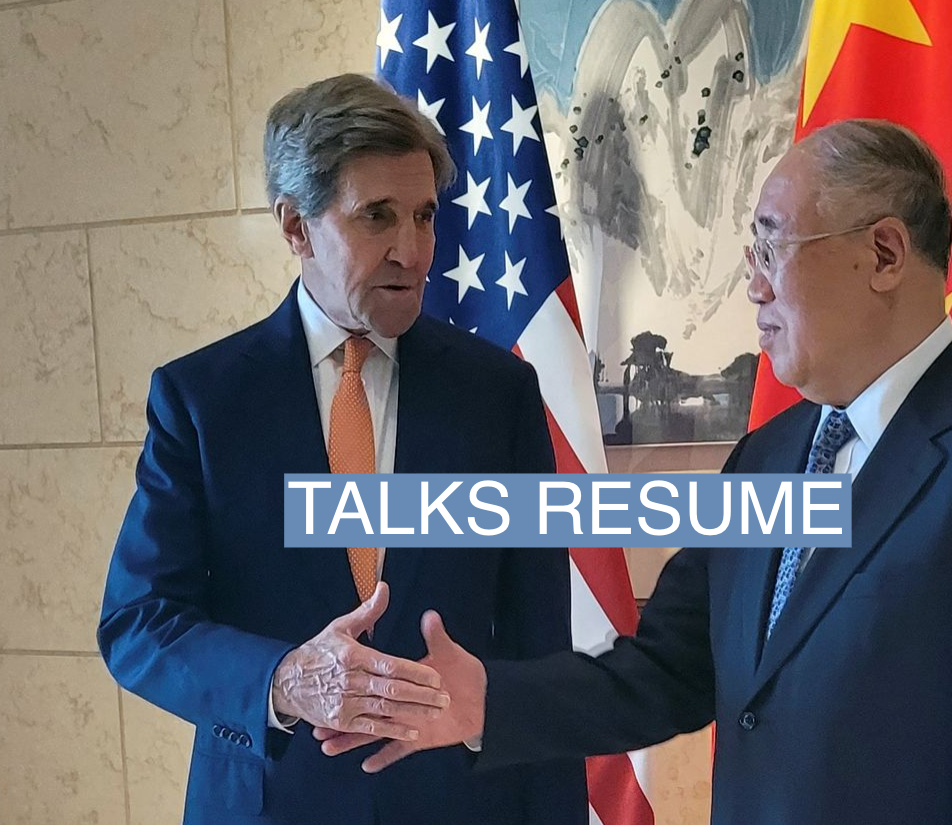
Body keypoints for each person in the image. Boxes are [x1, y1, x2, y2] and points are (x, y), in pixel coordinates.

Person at [319, 119, 952, 825]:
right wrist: (487, 701)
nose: (753, 283)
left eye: (773, 246)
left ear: (884, 252)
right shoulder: (768, 460)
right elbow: (669, 672)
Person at [97, 73, 587, 825]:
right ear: (295, 226)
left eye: (425, 216)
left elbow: (538, 648)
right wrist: (285, 678)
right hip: (269, 803)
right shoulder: (203, 401)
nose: (413, 250)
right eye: (377, 217)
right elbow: (139, 622)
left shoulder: (499, 395)